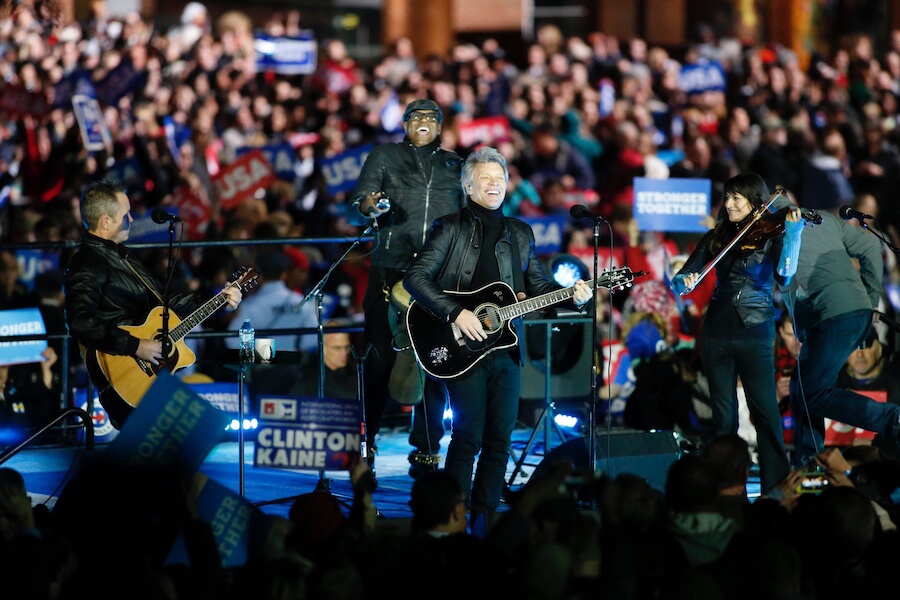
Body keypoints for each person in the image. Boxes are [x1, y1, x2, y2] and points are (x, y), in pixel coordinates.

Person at [403, 146, 592, 532]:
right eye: (485, 179)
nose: (494, 185)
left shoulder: (520, 233)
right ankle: (448, 519)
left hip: (505, 348)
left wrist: (573, 295)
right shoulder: (450, 227)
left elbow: (538, 288)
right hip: (459, 344)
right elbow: (415, 278)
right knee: (468, 436)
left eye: (499, 179)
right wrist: (457, 312)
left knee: (500, 439)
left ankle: (484, 520)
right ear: (468, 186)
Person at [347, 98, 466, 479]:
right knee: (379, 359)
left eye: (432, 118)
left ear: (441, 126)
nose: (424, 122)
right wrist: (372, 205)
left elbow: (469, 215)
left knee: (435, 362)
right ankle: (366, 446)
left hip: (436, 275)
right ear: (405, 123)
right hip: (388, 270)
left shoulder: (455, 165)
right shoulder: (384, 155)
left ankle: (427, 450)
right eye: (416, 117)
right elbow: (359, 201)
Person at [63, 180, 243, 429]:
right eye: (126, 214)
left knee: (208, 424)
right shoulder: (85, 265)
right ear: (106, 221)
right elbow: (79, 322)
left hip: (151, 371)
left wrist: (217, 299)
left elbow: (164, 304)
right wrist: (137, 346)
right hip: (125, 373)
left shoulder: (122, 256)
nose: (132, 219)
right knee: (200, 427)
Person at [671, 172, 804, 493]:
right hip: (716, 331)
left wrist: (793, 235)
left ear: (755, 202)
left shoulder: (772, 233)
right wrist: (683, 282)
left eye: (736, 198)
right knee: (723, 416)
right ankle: (726, 486)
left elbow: (784, 277)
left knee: (765, 412)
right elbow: (680, 278)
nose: (729, 204)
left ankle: (777, 485)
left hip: (755, 330)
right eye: (727, 197)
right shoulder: (716, 236)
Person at [784, 208, 900, 467]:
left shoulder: (784, 230)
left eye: (737, 198)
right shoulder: (824, 219)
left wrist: (872, 301)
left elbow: (787, 284)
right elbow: (871, 245)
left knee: (812, 391)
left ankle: (893, 419)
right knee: (803, 385)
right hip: (844, 314)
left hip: (837, 316)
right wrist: (870, 301)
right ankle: (810, 461)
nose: (730, 204)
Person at [289, 320, 358, 400]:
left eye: (346, 347)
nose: (344, 352)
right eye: (337, 348)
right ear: (323, 348)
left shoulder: (356, 373)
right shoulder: (307, 380)